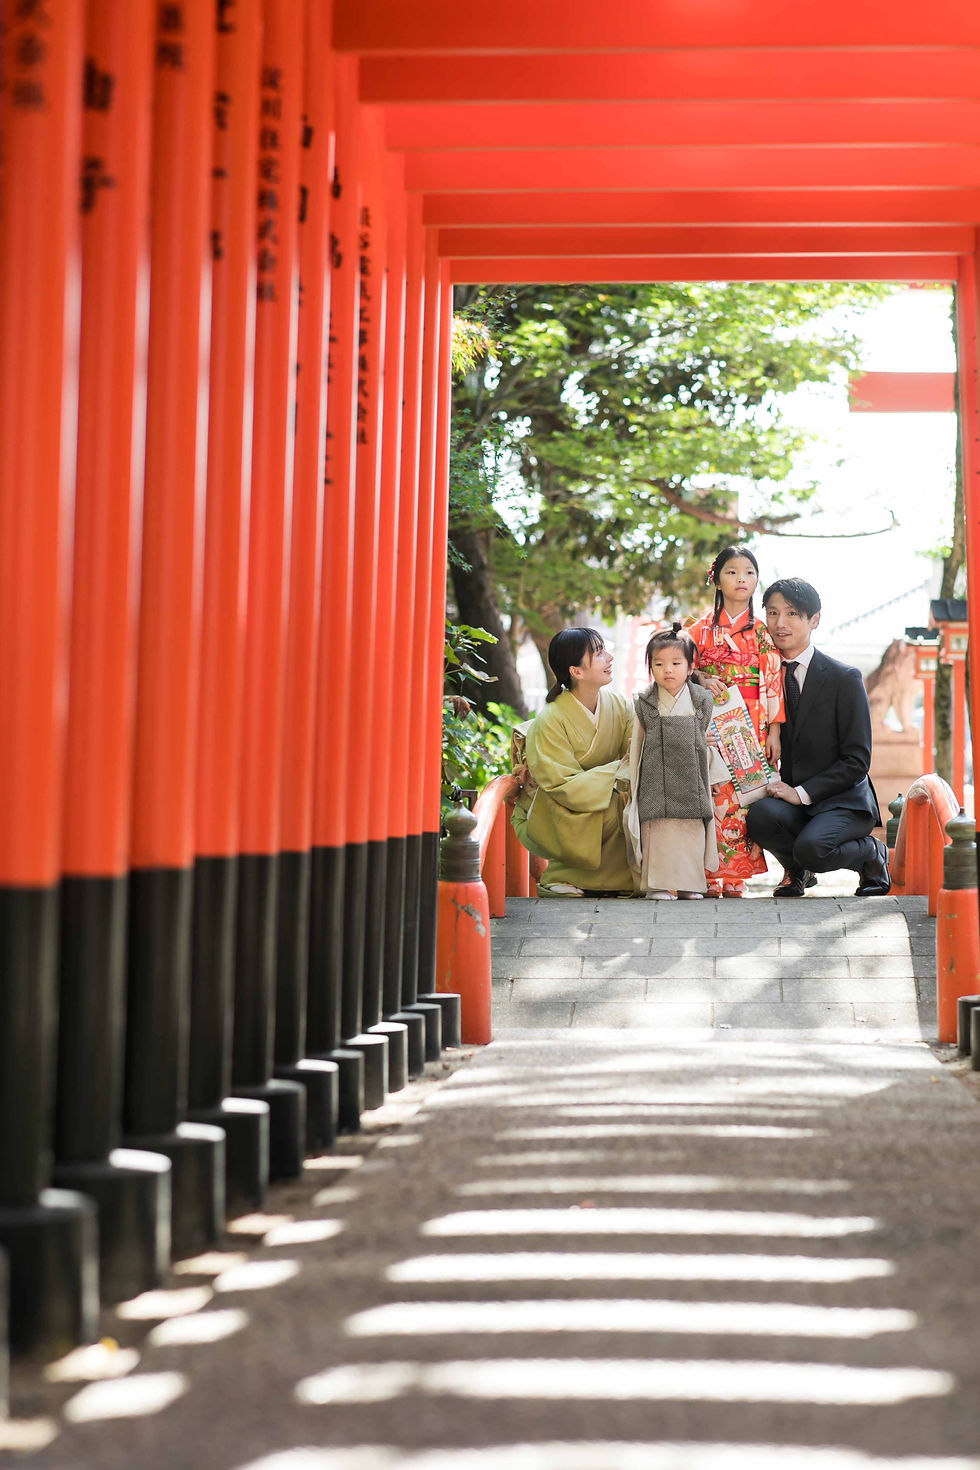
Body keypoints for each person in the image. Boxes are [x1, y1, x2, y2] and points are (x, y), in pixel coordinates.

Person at [746, 577, 889, 897]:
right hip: (791, 802)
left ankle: (870, 853)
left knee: (814, 849)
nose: (780, 623)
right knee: (759, 818)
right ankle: (797, 870)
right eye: (772, 613)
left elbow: (857, 760)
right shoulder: (760, 677)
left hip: (842, 801)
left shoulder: (844, 678)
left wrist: (801, 793)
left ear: (814, 620)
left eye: (792, 614)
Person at [686, 546, 784, 897]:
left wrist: (774, 731)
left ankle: (736, 874)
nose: (741, 578)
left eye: (748, 572)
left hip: (752, 722)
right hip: (712, 721)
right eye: (731, 572)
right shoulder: (697, 631)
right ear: (716, 580)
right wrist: (700, 677)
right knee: (714, 793)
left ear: (756, 580)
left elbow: (772, 680)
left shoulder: (762, 632)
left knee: (745, 797)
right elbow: (679, 670)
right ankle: (708, 873)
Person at [512, 627, 634, 897]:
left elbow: (636, 750)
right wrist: (617, 771)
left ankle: (615, 880)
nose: (610, 658)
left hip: (605, 794)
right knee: (617, 807)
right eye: (599, 654)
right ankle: (562, 875)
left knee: (635, 804)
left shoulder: (620, 707)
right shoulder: (550, 719)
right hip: (558, 807)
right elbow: (560, 785)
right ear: (576, 671)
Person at [627, 626, 729, 900]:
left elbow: (707, 741)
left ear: (690, 667)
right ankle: (657, 886)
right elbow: (637, 746)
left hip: (691, 777)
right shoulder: (644, 701)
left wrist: (713, 777)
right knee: (658, 830)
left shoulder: (701, 700)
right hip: (655, 777)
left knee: (690, 831)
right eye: (658, 664)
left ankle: (689, 885)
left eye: (675, 663)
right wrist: (633, 781)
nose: (667, 670)